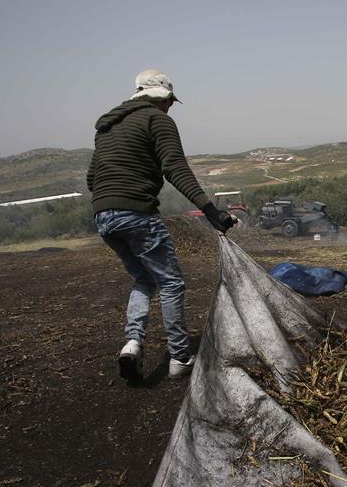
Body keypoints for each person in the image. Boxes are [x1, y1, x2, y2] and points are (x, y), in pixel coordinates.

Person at [87, 69, 236, 382]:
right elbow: (175, 168)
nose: (170, 108)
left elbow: (92, 178)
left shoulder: (107, 128)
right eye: (170, 102)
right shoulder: (159, 120)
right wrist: (209, 210)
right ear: (163, 98)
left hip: (103, 216)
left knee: (144, 278)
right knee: (171, 282)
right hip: (137, 214)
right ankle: (180, 357)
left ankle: (132, 344)